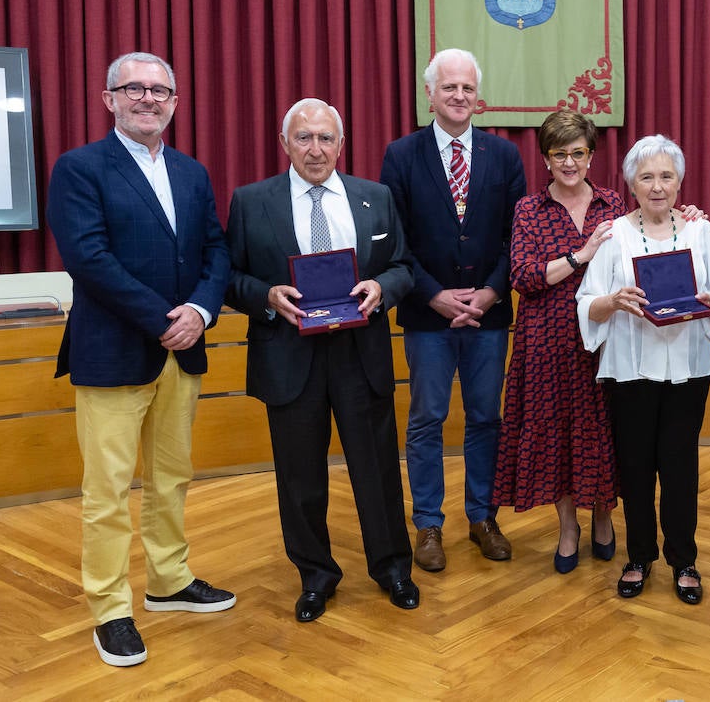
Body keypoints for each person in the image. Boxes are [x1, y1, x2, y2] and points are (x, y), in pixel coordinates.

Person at [47, 52, 234, 667]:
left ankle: (168, 581)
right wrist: (165, 320)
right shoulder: (79, 169)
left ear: (176, 102)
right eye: (135, 89)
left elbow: (215, 250)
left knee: (172, 478)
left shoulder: (192, 172)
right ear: (110, 99)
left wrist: (201, 313)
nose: (149, 99)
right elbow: (90, 259)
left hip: (183, 352)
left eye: (161, 90)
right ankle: (109, 608)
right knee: (107, 492)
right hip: (115, 352)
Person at [224, 99, 420, 622]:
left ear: (341, 143)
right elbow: (230, 278)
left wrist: (383, 286)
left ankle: (393, 568)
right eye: (305, 138)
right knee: (300, 477)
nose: (316, 149)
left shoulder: (375, 198)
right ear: (285, 143)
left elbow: (404, 266)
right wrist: (266, 296)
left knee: (377, 470)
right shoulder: (251, 201)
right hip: (289, 359)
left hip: (361, 355)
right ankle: (316, 576)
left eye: (326, 138)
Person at [379, 48, 526, 571]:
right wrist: (434, 295)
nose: (459, 96)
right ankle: (428, 525)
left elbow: (519, 237)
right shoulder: (401, 155)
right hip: (427, 316)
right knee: (427, 419)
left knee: (487, 418)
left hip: (489, 315)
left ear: (477, 96)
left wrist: (489, 292)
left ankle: (483, 516)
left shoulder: (505, 156)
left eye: (467, 88)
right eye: (449, 88)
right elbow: (392, 239)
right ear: (430, 94)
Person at [576, 134, 710, 605]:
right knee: (636, 467)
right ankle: (639, 556)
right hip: (630, 370)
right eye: (647, 177)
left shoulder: (700, 231)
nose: (657, 186)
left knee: (681, 467)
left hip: (689, 368)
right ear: (631, 184)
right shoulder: (612, 234)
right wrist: (613, 300)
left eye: (666, 176)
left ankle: (684, 559)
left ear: (680, 182)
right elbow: (587, 303)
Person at [492, 111, 621, 572]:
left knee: (603, 432)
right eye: (559, 154)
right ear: (546, 158)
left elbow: (645, 250)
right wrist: (580, 255)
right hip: (545, 341)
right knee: (555, 437)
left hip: (604, 340)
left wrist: (688, 216)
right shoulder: (530, 209)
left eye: (578, 153)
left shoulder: (614, 205)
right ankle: (569, 527)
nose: (569, 162)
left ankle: (605, 517)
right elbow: (524, 277)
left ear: (591, 155)